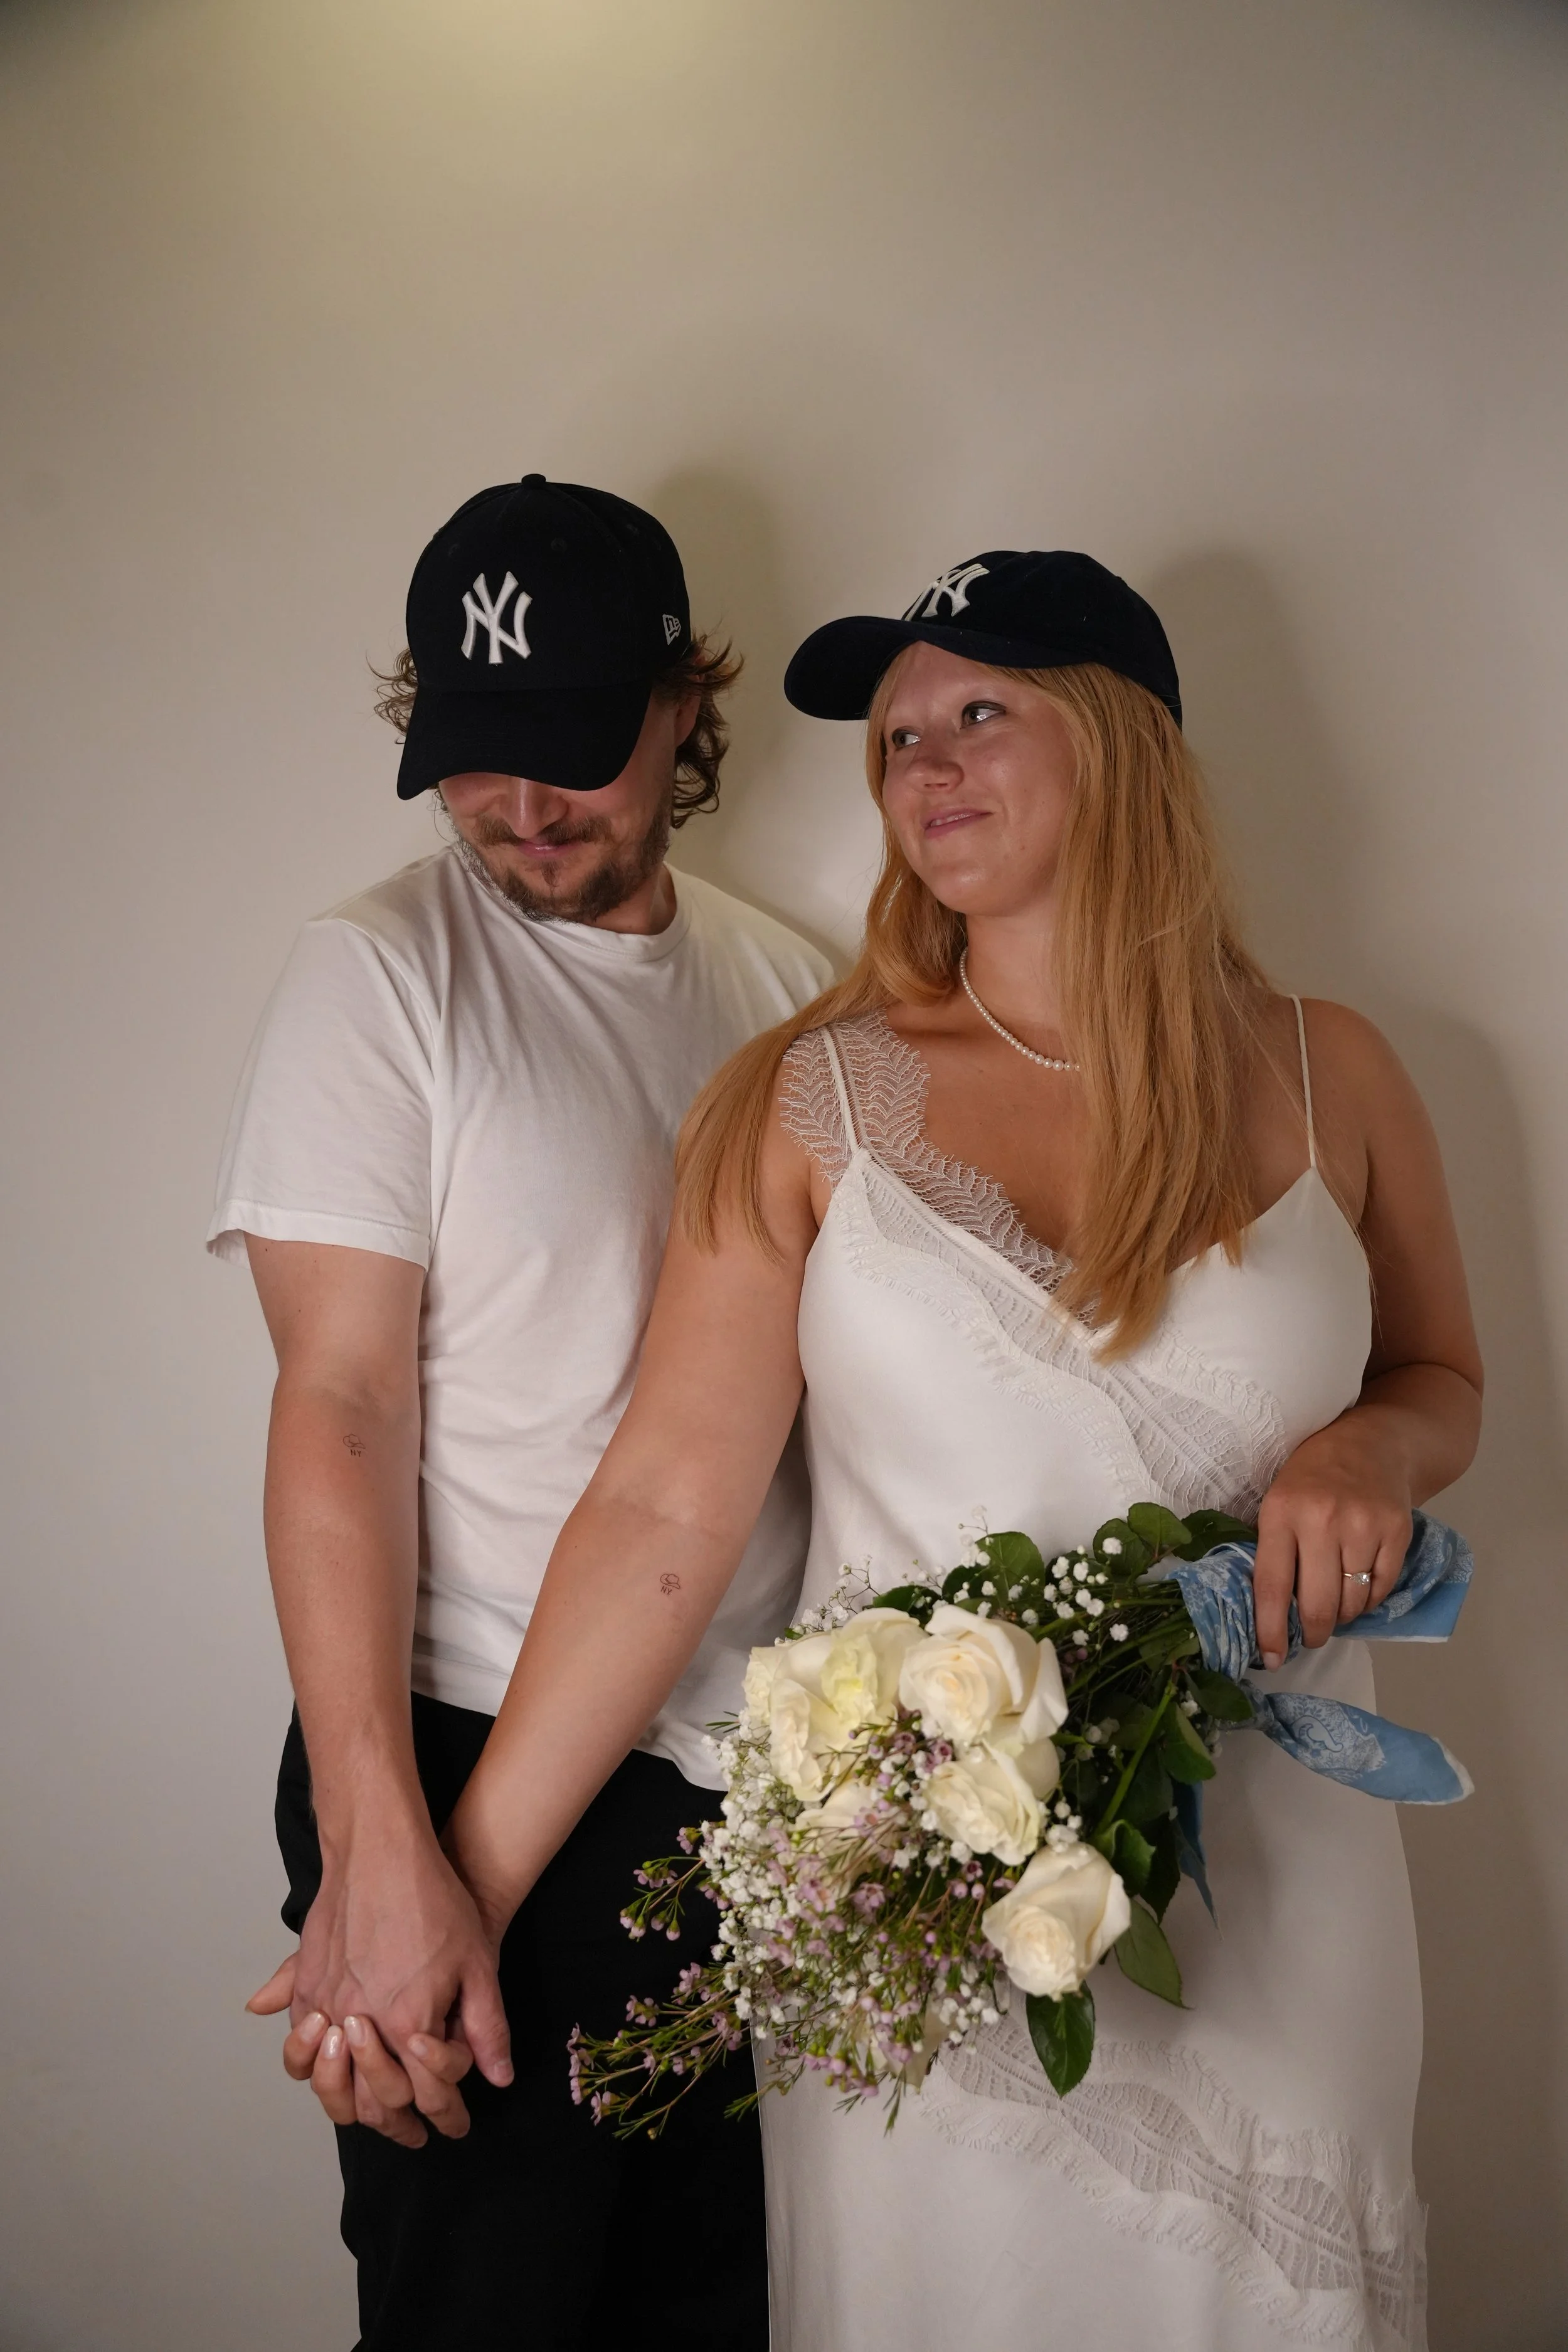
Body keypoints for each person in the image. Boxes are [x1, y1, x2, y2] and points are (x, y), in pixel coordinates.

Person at [432, 549, 1481, 2351]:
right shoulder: (807, 1097)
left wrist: (1379, 1446)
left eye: (979, 711)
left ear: (1124, 741)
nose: (923, 765)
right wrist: (456, 1893)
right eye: (897, 735)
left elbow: (1444, 1372)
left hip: (1290, 1894)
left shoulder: (1336, 1069)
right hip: (922, 1914)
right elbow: (664, 1511)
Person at [208, 472, 832, 2351]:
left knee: (706, 2312)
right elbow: (333, 1407)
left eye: (570, 750)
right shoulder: (383, 971)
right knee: (480, 2314)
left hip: (731, 1796)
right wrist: (383, 1850)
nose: (523, 808)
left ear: (678, 708)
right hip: (455, 1746)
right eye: (478, 757)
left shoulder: (781, 987)